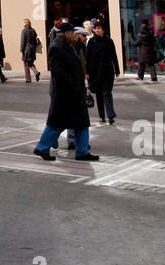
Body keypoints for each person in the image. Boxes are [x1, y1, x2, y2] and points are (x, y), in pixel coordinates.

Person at [32, 21, 99, 162]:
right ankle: (42, 147)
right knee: (57, 123)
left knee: (81, 123)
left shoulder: (67, 45)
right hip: (65, 93)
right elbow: (57, 71)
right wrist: (73, 84)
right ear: (66, 33)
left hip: (73, 92)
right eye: (71, 33)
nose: (72, 35)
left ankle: (82, 151)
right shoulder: (56, 46)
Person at [85, 18, 121, 124]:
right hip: (94, 73)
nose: (97, 30)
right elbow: (87, 58)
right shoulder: (91, 42)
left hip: (107, 72)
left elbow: (114, 56)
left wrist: (117, 69)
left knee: (107, 93)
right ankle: (101, 116)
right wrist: (86, 72)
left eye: (99, 28)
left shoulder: (109, 41)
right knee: (99, 95)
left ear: (103, 30)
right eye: (95, 28)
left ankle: (110, 115)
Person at [20, 18, 41, 83]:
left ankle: (28, 79)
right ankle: (36, 72)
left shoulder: (24, 31)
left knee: (26, 64)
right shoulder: (33, 30)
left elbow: (23, 41)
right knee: (30, 63)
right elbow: (36, 41)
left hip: (26, 49)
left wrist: (21, 49)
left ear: (25, 23)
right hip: (32, 49)